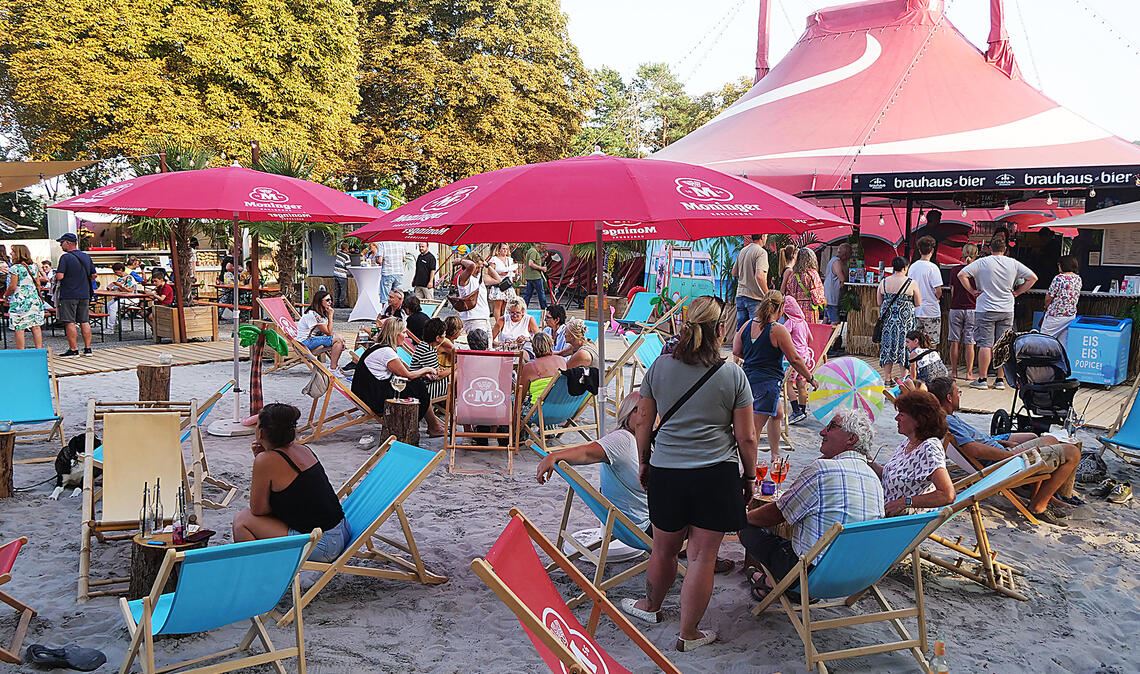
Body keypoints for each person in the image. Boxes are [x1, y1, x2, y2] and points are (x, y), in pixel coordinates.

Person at [621, 296, 756, 652]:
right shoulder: (733, 375)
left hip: (667, 470)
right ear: (720, 330)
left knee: (663, 549)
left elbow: (644, 423)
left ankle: (650, 607)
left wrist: (644, 461)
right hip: (716, 473)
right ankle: (689, 633)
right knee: (701, 557)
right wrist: (750, 477)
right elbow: (747, 436)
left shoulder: (659, 368)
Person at [741, 409, 883, 600]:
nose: (822, 432)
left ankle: (771, 583)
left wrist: (741, 518)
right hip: (857, 576)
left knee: (747, 528)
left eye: (831, 427)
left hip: (811, 577)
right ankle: (770, 582)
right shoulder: (873, 477)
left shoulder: (823, 470)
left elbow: (777, 514)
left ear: (851, 439)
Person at [927, 376, 1081, 525]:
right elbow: (973, 449)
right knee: (1072, 453)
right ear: (949, 397)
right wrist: (1010, 454)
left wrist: (1003, 443)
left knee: (1049, 440)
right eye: (957, 392)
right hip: (1003, 463)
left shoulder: (945, 417)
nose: (959, 396)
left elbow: (976, 441)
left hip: (999, 455)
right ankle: (1038, 506)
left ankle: (1043, 495)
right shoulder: (948, 421)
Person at [231, 403, 351, 563]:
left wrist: (262, 459)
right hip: (342, 531)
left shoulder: (266, 460)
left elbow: (258, 510)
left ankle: (258, 576)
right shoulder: (304, 449)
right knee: (247, 518)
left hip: (323, 544)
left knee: (242, 521)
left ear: (260, 432)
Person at [536, 391, 651, 533]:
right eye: (642, 411)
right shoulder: (622, 439)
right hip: (641, 526)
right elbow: (586, 453)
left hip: (630, 522)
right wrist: (554, 456)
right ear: (630, 413)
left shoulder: (641, 440)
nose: (649, 417)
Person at [733, 291, 817, 462]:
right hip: (767, 384)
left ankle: (774, 454)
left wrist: (753, 359)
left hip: (747, 380)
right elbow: (794, 359)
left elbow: (736, 350)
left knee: (778, 413)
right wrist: (810, 378)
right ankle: (749, 471)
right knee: (754, 431)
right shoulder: (777, 329)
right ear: (780, 308)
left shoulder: (748, 324)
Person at [958, 236, 1037, 390]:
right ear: (1005, 249)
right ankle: (1000, 379)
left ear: (989, 248)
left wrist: (973, 291)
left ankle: (982, 379)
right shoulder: (1013, 263)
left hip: (985, 307)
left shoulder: (982, 262)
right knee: (1002, 344)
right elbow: (1032, 277)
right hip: (1006, 308)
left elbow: (962, 274)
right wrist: (1017, 292)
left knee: (985, 344)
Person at [351, 318, 445, 436]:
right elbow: (408, 375)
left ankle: (434, 425)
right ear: (395, 334)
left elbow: (403, 374)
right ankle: (434, 426)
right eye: (404, 333)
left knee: (417, 385)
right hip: (372, 397)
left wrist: (421, 374)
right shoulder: (386, 352)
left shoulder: (378, 347)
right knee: (418, 386)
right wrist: (428, 369)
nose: (407, 337)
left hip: (366, 392)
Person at [871, 391, 954, 514]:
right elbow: (892, 475)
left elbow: (947, 495)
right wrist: (867, 461)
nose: (896, 418)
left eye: (902, 414)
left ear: (919, 420)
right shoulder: (908, 443)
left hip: (904, 520)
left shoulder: (929, 448)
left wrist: (905, 502)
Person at [877, 256, 921, 382]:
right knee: (905, 347)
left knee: (887, 347)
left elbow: (879, 301)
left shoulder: (884, 282)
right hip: (905, 323)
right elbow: (918, 302)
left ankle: (887, 378)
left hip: (888, 322)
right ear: (905, 267)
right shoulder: (911, 283)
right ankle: (903, 378)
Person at [54, 232, 97, 357]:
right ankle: (88, 349)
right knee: (84, 321)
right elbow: (93, 275)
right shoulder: (86, 256)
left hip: (69, 294)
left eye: (61, 243)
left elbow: (60, 276)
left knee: (69, 321)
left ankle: (73, 349)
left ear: (68, 243)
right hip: (84, 293)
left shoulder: (65, 257)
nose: (61, 245)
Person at [781, 295, 816, 424]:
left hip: (794, 358)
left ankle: (795, 411)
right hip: (805, 357)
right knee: (801, 384)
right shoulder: (803, 321)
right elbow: (810, 339)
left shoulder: (790, 322)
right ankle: (802, 410)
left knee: (788, 383)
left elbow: (783, 336)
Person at [4, 244, 46, 349]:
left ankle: (21, 352)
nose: (10, 254)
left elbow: (13, 286)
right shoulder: (34, 266)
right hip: (34, 299)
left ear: (18, 253)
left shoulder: (15, 268)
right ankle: (39, 350)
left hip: (20, 300)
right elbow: (38, 284)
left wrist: (5, 295)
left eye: (12, 252)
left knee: (19, 327)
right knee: (35, 326)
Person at [948, 243, 979, 381]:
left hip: (956, 308)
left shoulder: (954, 270)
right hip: (972, 308)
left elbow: (952, 290)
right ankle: (969, 373)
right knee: (970, 342)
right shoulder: (977, 271)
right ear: (976, 254)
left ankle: (954, 372)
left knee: (954, 341)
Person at [296, 290, 346, 371]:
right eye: (327, 300)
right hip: (304, 343)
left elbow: (329, 332)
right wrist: (330, 316)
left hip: (311, 340)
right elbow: (329, 332)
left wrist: (339, 337)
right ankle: (333, 368)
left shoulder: (319, 314)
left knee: (339, 338)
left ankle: (334, 367)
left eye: (331, 300)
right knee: (338, 340)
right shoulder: (314, 315)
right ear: (319, 301)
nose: (330, 302)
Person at [518, 332, 567, 412]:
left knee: (511, 400)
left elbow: (520, 397)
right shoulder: (562, 360)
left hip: (538, 412)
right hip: (561, 409)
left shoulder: (530, 366)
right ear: (551, 344)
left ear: (533, 348)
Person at [909, 234, 944, 346]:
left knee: (916, 344)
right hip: (931, 310)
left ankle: (916, 363)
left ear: (919, 250)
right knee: (931, 344)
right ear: (932, 250)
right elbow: (938, 291)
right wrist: (937, 298)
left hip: (916, 310)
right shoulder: (933, 268)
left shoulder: (912, 267)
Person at [731, 234, 770, 329]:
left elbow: (734, 272)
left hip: (740, 295)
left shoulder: (743, 251)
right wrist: (768, 294)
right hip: (754, 297)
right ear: (762, 236)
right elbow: (760, 276)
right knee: (755, 330)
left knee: (741, 330)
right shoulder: (761, 252)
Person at [1041, 255, 1081, 345]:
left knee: (1044, 340)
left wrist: (1046, 306)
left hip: (1056, 315)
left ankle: (1042, 359)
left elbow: (1049, 297)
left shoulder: (1059, 278)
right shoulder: (1078, 279)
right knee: (1063, 343)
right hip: (1070, 315)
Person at [780, 246, 826, 322]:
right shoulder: (812, 274)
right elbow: (817, 297)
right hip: (809, 311)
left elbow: (788, 294)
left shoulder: (792, 276)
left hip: (794, 311)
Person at [411, 317, 451, 401]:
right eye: (444, 334)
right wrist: (455, 366)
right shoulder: (428, 350)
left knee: (453, 374)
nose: (445, 336)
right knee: (456, 374)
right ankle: (451, 408)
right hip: (423, 390)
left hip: (419, 385)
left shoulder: (424, 345)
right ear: (437, 338)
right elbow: (437, 376)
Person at [456, 253, 491, 334]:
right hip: (473, 318)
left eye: (480, 268)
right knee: (479, 345)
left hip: (484, 317)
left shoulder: (479, 278)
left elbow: (498, 280)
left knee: (488, 345)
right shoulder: (464, 278)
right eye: (477, 267)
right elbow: (472, 266)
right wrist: (461, 261)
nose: (478, 270)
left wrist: (487, 265)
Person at [105, 262, 142, 331]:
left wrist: (120, 286)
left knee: (113, 307)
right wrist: (111, 287)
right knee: (108, 305)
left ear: (121, 269)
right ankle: (115, 325)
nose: (115, 274)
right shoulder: (120, 279)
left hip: (130, 298)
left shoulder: (129, 278)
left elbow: (130, 290)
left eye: (116, 272)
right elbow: (117, 289)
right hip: (121, 297)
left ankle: (110, 328)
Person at [487, 243, 519, 321]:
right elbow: (490, 272)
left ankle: (504, 321)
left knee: (506, 305)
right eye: (503, 249)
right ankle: (498, 322)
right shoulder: (494, 259)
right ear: (499, 249)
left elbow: (514, 271)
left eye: (506, 249)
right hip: (499, 284)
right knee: (498, 305)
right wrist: (498, 273)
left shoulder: (509, 259)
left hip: (507, 284)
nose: (505, 250)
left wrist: (514, 272)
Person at [823, 242, 852, 325]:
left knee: (826, 318)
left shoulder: (833, 260)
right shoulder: (837, 262)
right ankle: (831, 337)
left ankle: (822, 336)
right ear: (845, 254)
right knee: (835, 321)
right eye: (849, 254)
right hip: (832, 296)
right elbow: (842, 278)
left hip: (828, 294)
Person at [377, 241, 405, 310]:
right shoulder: (400, 242)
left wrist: (376, 260)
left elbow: (380, 261)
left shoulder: (382, 243)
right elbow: (404, 258)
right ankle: (397, 315)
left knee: (386, 297)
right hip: (399, 272)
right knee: (398, 296)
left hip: (387, 272)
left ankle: (385, 314)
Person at [521, 242, 549, 309]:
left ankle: (523, 308)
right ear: (540, 245)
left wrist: (544, 257)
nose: (544, 248)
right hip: (535, 277)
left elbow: (536, 262)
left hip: (530, 277)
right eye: (544, 245)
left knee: (528, 295)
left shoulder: (532, 251)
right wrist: (542, 268)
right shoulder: (533, 252)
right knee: (541, 294)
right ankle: (544, 309)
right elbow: (531, 264)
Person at [333, 243, 350, 308]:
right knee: (343, 290)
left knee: (337, 289)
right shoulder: (346, 256)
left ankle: (336, 303)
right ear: (346, 248)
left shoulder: (338, 254)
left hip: (335, 273)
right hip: (342, 274)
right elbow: (348, 266)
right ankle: (341, 304)